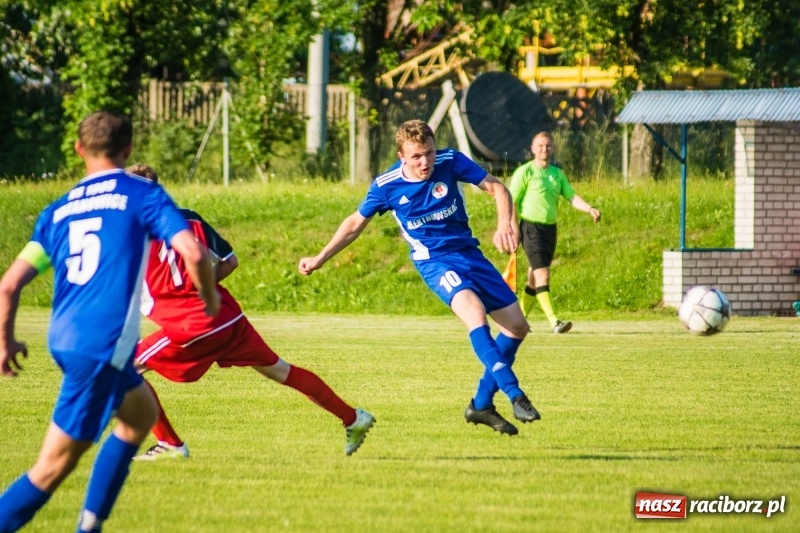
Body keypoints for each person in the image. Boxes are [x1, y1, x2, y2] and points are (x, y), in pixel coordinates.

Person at [0, 110, 219, 532]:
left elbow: (9, 285)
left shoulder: (59, 210)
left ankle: (90, 524)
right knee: (50, 469)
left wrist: (5, 342)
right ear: (129, 148)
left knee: (139, 416)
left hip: (65, 337)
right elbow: (193, 253)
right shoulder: (141, 195)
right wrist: (208, 298)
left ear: (80, 150)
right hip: (101, 347)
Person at [298, 119, 540, 437]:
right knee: (474, 313)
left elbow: (497, 188)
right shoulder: (387, 185)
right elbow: (355, 223)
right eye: (416, 157)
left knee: (517, 326)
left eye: (428, 152)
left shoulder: (450, 160)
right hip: (435, 262)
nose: (425, 162)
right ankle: (514, 394)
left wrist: (505, 223)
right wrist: (319, 257)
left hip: (470, 255)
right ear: (402, 157)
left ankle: (480, 405)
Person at [126, 163, 374, 460]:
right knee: (281, 370)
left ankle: (170, 445)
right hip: (228, 316)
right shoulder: (189, 219)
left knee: (123, 371)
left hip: (193, 324)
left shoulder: (129, 231)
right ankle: (352, 418)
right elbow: (229, 261)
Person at [508, 131, 601, 334]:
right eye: (540, 145)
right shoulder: (525, 172)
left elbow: (571, 196)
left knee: (534, 278)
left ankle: (519, 321)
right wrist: (513, 227)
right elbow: (512, 201)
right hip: (531, 228)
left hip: (550, 230)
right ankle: (554, 322)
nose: (544, 149)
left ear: (553, 148)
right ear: (533, 149)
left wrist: (589, 208)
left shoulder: (557, 174)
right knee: (543, 275)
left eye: (548, 145)